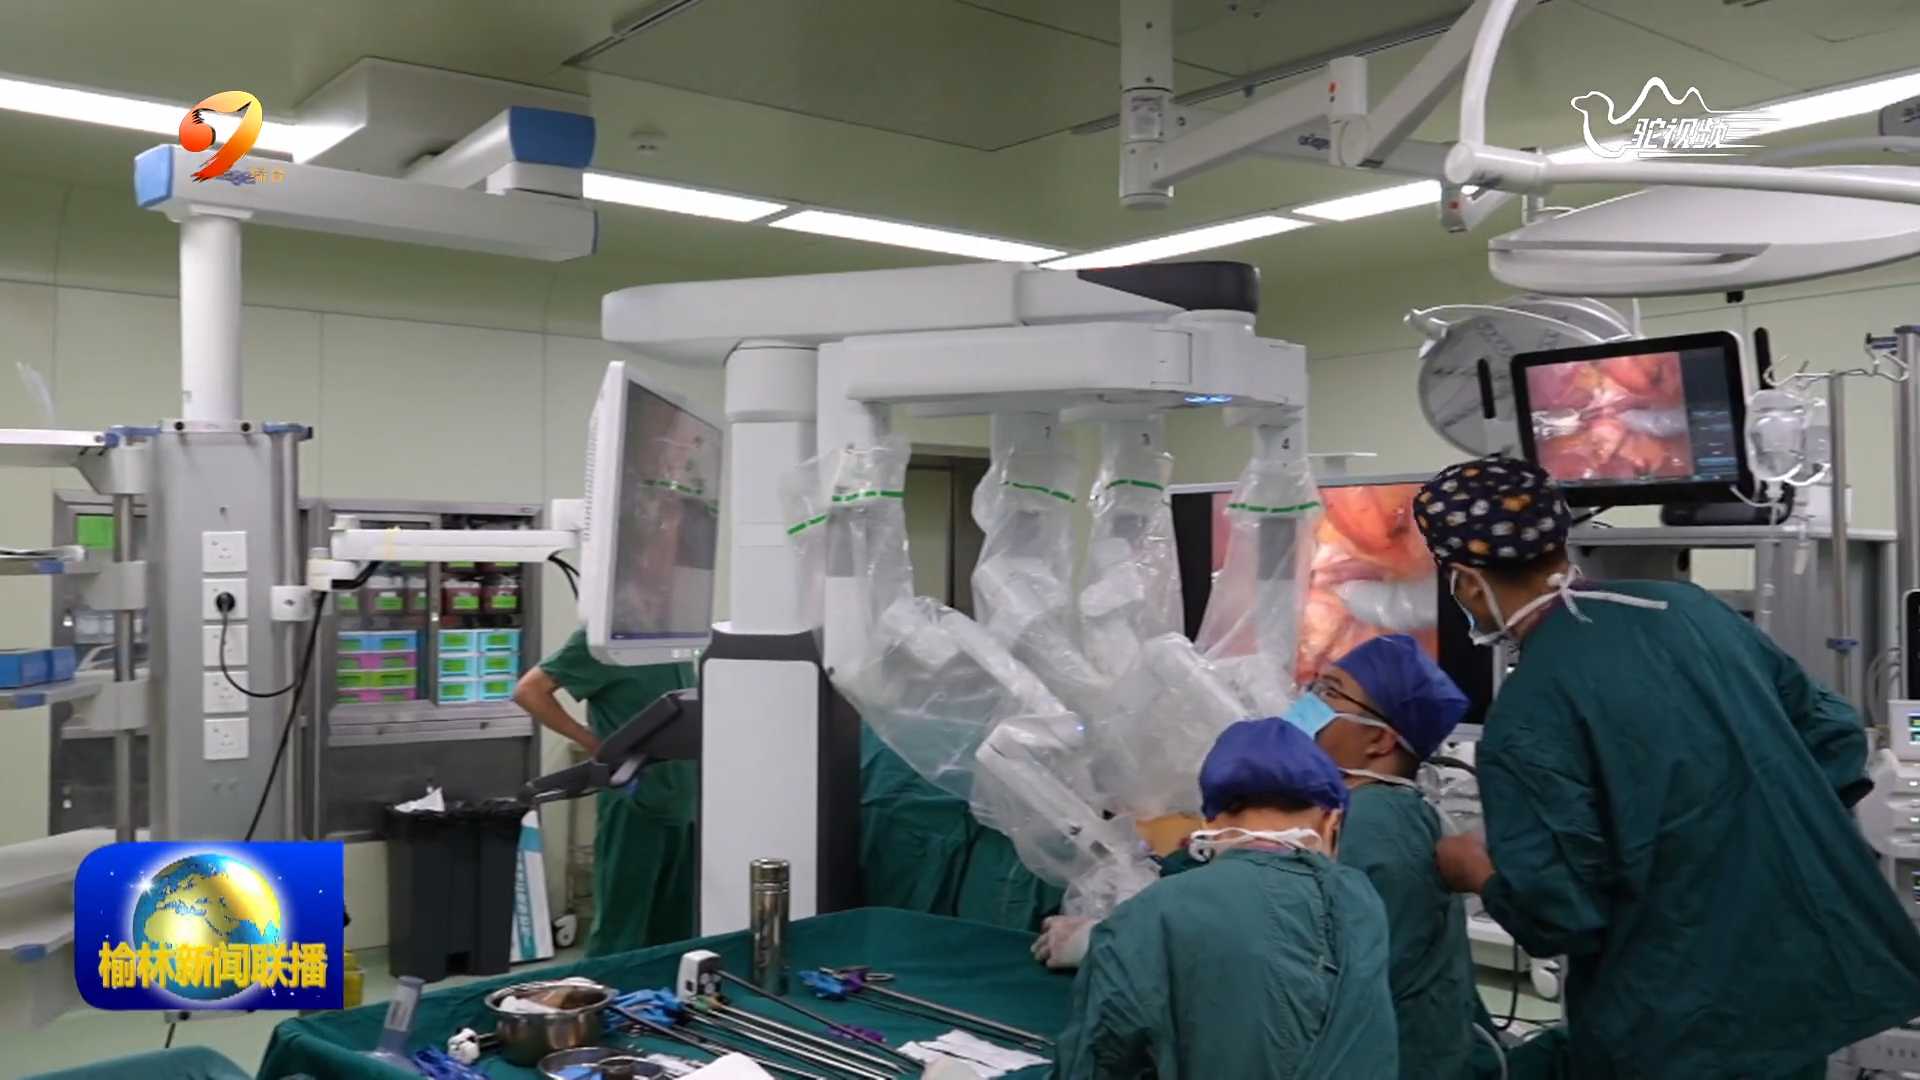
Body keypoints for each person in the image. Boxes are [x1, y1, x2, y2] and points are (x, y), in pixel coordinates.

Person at [1416, 456, 1920, 1079]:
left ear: (1467, 581)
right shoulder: (1687, 610)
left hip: (1677, 1021)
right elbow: (1835, 735)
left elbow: (1560, 913)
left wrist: (1478, 872)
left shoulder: (1528, 715)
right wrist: (1754, 833)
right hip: (1796, 978)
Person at [1054, 717, 1397, 1078]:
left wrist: (1111, 939)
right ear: (1332, 822)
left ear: (1209, 823)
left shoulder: (1151, 914)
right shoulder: (1360, 902)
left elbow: (1095, 1061)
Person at [1292, 632, 1484, 1080]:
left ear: (1378, 740)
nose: (1308, 703)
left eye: (1330, 692)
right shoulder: (1371, 812)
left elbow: (1328, 984)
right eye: (1315, 685)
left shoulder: (1372, 827)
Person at [513, 628, 696, 956]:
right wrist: (594, 743)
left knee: (678, 933)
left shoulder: (674, 633)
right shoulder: (605, 637)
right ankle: (607, 988)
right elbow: (530, 691)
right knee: (621, 930)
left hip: (683, 801)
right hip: (636, 801)